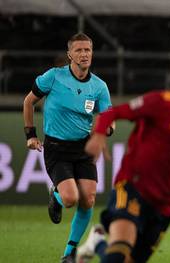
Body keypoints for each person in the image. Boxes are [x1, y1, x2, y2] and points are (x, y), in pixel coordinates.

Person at [76, 55, 170, 263]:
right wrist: (99, 135)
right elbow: (114, 113)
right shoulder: (162, 102)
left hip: (166, 202)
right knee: (119, 255)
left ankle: (98, 242)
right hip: (133, 187)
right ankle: (102, 242)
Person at [22, 33, 113, 263]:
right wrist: (30, 135)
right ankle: (56, 195)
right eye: (79, 50)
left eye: (88, 50)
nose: (84, 54)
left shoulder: (99, 86)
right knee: (71, 198)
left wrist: (107, 129)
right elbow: (28, 101)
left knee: (89, 200)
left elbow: (107, 117)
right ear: (69, 54)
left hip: (84, 149)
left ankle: (69, 253)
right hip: (57, 148)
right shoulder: (53, 77)